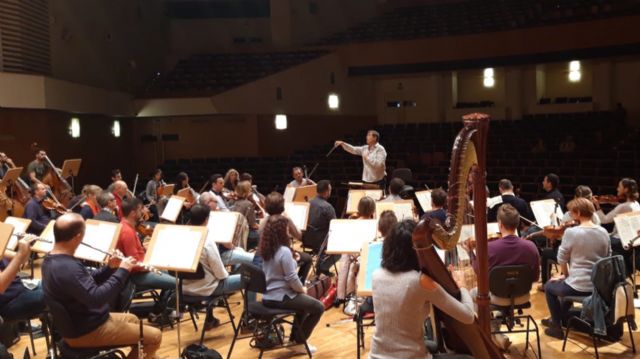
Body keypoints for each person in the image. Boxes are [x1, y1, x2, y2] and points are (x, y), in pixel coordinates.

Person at [41, 213, 161, 358]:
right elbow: (97, 298)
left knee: (134, 320)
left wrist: (109, 268)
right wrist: (122, 271)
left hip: (87, 321)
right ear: (78, 237)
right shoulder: (67, 268)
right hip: (85, 331)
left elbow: (85, 282)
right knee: (154, 337)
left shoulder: (52, 259)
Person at [370, 220, 475, 359]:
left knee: (432, 344)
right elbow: (468, 316)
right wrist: (462, 286)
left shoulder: (376, 275)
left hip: (376, 355)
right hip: (409, 356)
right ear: (417, 250)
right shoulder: (419, 282)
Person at [462, 204, 540, 349]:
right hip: (523, 296)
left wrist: (469, 253)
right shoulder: (531, 247)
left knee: (472, 293)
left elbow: (479, 272)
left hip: (497, 297)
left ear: (500, 224)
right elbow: (535, 278)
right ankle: (496, 331)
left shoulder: (490, 248)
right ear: (517, 223)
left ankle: (490, 334)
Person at [542, 198, 610, 339]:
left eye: (572, 212)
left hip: (579, 285)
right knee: (563, 287)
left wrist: (565, 275)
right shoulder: (603, 232)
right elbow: (607, 258)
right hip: (598, 286)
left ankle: (556, 326)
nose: (571, 215)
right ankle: (558, 318)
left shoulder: (571, 232)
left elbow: (561, 258)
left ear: (578, 213)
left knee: (549, 287)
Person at [260, 216, 324, 354]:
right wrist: (302, 289)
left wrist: (293, 260)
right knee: (318, 307)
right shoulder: (283, 251)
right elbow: (292, 278)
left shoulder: (266, 248)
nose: (289, 232)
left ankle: (294, 340)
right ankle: (299, 342)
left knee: (304, 304)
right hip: (281, 297)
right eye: (287, 229)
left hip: (267, 295)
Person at [184, 205, 244, 330]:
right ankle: (249, 320)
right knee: (252, 278)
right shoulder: (208, 241)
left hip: (185, 288)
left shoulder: (182, 237)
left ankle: (210, 319)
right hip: (207, 288)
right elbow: (221, 275)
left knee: (211, 275)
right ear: (206, 220)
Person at [116, 198, 175, 318]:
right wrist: (154, 264)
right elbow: (135, 264)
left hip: (141, 271)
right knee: (177, 283)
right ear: (133, 213)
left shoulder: (125, 225)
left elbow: (137, 253)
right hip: (136, 276)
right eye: (140, 209)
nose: (143, 211)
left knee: (171, 273)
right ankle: (162, 313)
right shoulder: (127, 232)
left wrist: (149, 252)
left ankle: (158, 311)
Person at [535, 185, 601, 289]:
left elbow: (561, 243)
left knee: (547, 253)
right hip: (593, 258)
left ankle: (545, 284)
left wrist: (553, 234)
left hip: (574, 256)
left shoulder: (569, 216)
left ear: (576, 198)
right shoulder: (596, 218)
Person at [257, 192, 313, 283]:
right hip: (282, 256)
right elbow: (299, 236)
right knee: (308, 259)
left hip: (265, 254)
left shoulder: (263, 221)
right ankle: (298, 284)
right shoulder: (285, 220)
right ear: (282, 207)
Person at [593, 178, 640, 276]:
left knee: (596, 240)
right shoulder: (636, 204)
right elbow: (624, 207)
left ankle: (601, 273)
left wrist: (597, 206)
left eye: (619, 187)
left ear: (626, 190)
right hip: (632, 239)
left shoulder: (623, 207)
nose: (617, 189)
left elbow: (604, 220)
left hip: (621, 241)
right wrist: (613, 202)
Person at [339, 196, 376, 309]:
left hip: (352, 255)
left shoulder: (352, 223)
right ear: (373, 210)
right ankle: (363, 297)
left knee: (346, 260)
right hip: (364, 257)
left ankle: (344, 295)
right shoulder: (374, 224)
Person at [0, 236, 45, 324]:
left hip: (19, 289)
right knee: (57, 291)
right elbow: (1, 286)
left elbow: (24, 260)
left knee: (58, 284)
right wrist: (20, 254)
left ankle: (60, 334)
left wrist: (25, 246)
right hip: (9, 303)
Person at [231, 181, 260, 249]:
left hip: (235, 232)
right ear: (246, 192)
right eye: (249, 189)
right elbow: (253, 225)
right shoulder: (248, 204)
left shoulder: (234, 202)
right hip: (245, 233)